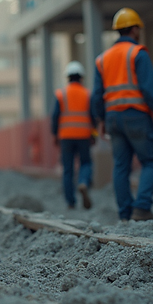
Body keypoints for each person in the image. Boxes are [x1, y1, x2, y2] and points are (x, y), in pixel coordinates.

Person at [91, 8, 153, 222]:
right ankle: (142, 207)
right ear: (135, 29)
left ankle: (126, 214)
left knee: (120, 166)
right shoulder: (137, 53)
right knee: (151, 161)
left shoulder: (102, 59)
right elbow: (148, 87)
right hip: (136, 115)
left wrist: (99, 120)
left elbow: (97, 94)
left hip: (112, 119)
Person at [51, 61, 94, 210]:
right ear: (81, 77)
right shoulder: (87, 94)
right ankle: (83, 182)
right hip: (84, 135)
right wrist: (93, 134)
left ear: (67, 77)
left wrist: (55, 135)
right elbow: (93, 117)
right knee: (86, 163)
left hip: (66, 136)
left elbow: (55, 116)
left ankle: (71, 202)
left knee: (68, 169)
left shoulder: (61, 94)